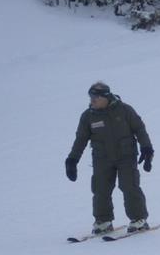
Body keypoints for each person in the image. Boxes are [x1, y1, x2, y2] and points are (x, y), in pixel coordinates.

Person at [66, 82, 154, 234]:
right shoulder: (88, 117)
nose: (92, 101)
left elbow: (139, 129)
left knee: (129, 186)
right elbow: (80, 140)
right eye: (90, 97)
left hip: (126, 156)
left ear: (105, 97)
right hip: (102, 158)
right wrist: (72, 160)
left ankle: (139, 220)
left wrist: (147, 148)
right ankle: (103, 221)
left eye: (95, 98)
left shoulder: (124, 110)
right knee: (100, 189)